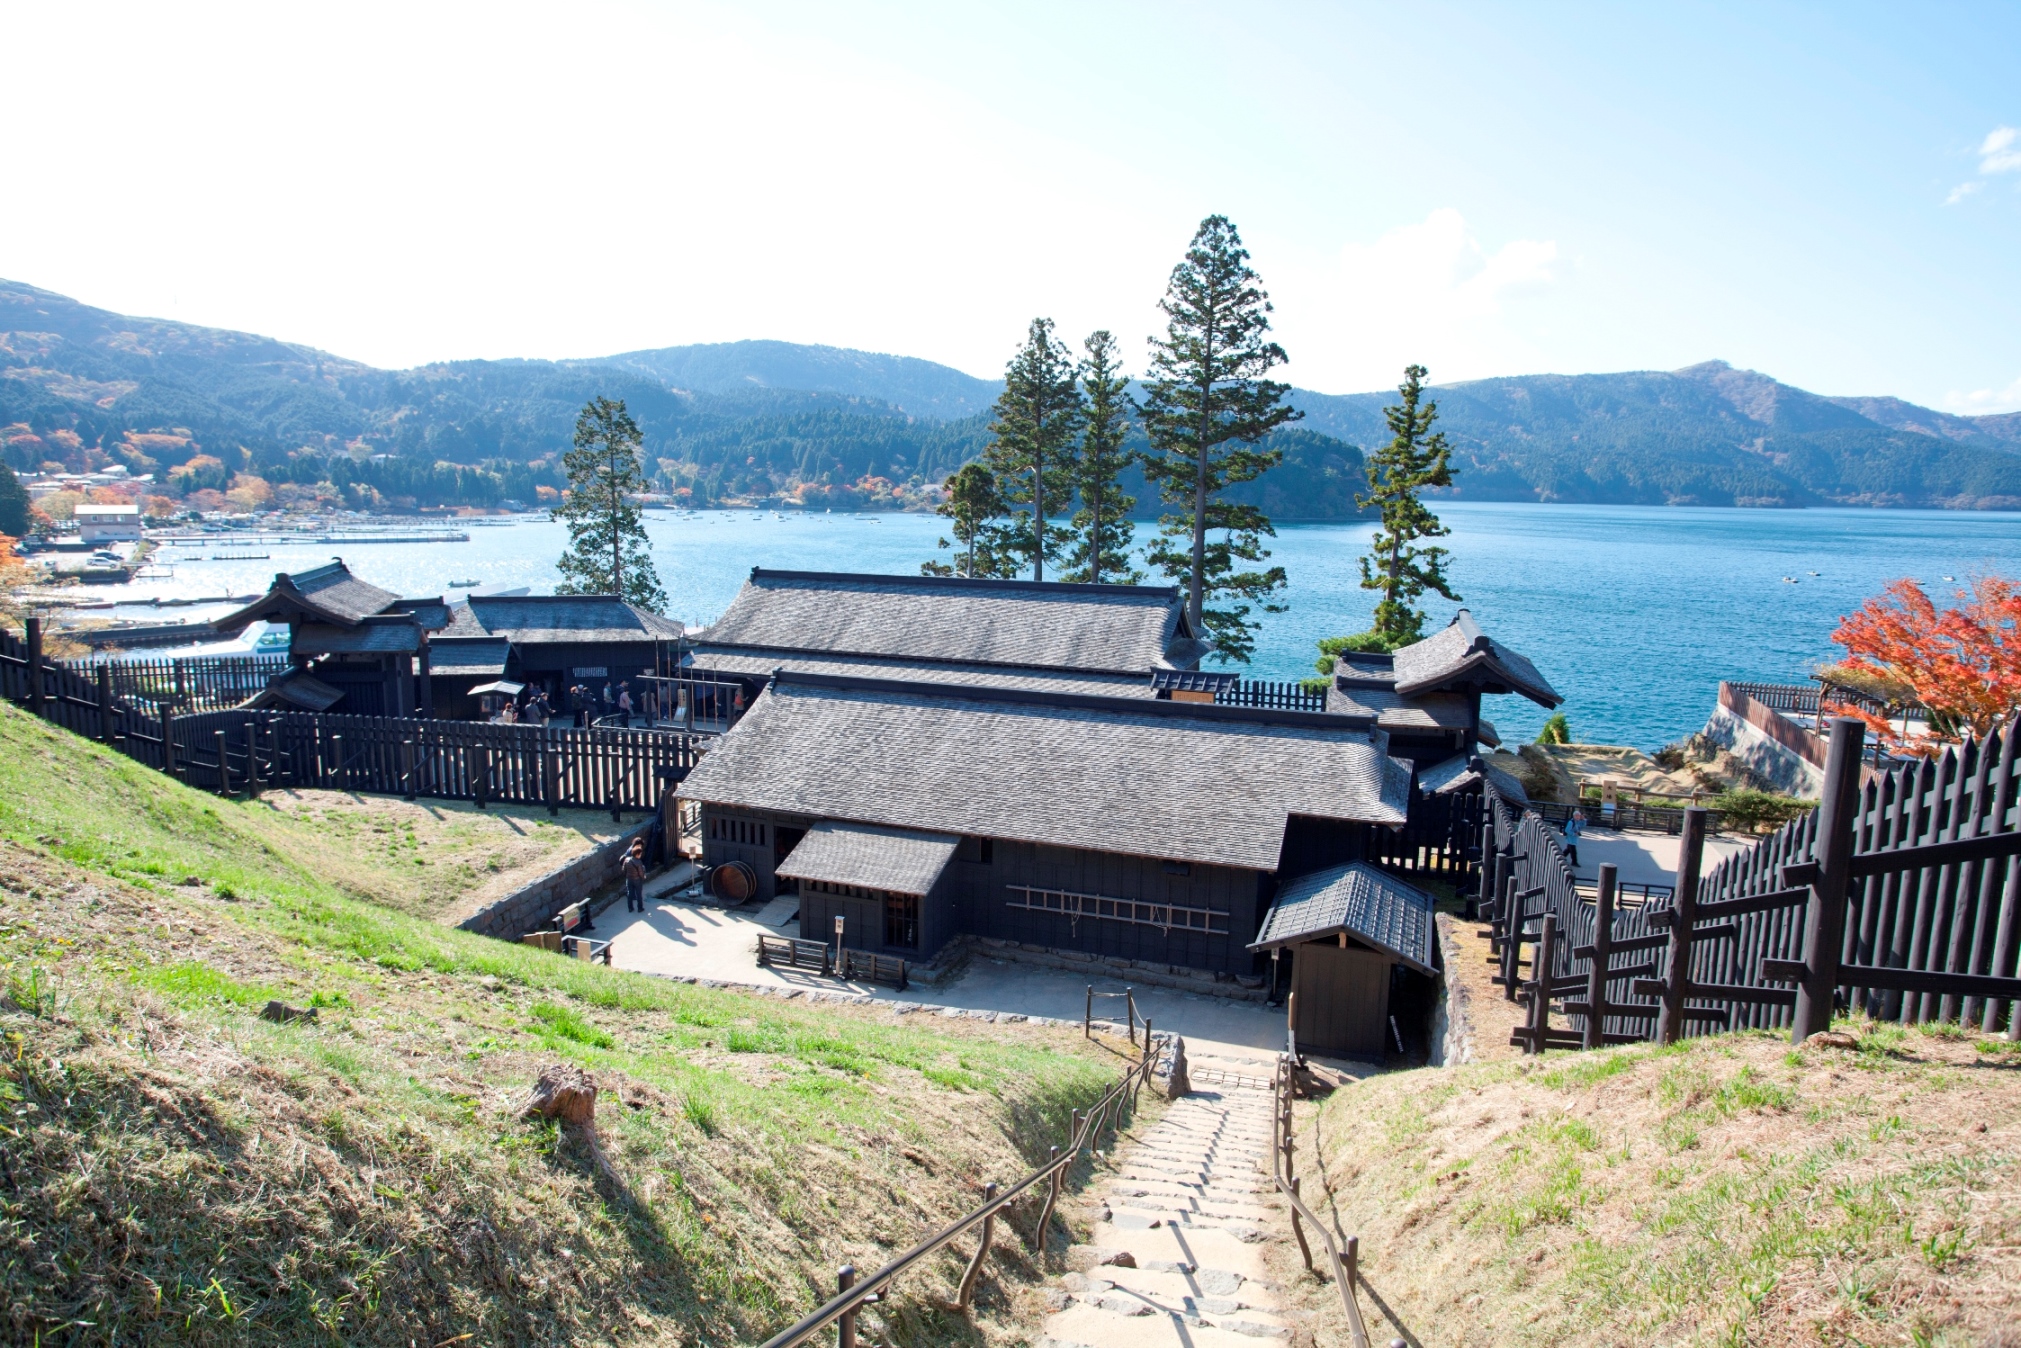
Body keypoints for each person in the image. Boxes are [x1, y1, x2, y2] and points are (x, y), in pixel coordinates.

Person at [623, 839, 648, 913]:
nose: (640, 855)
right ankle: (640, 908)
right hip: (637, 880)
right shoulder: (638, 862)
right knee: (639, 894)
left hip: (629, 879)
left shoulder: (627, 860)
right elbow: (640, 872)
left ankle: (630, 908)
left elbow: (624, 869)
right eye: (640, 854)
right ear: (637, 854)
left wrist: (627, 875)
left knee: (629, 893)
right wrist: (643, 877)